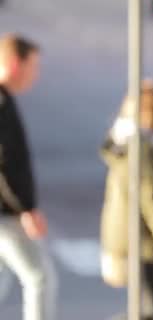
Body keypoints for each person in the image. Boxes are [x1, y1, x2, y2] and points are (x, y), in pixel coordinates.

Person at [99, 80, 153, 320]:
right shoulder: (140, 149)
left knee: (149, 309)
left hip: (122, 239)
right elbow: (152, 200)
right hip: (142, 245)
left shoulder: (122, 141)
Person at [0, 33, 57, 320]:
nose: (36, 75)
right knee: (39, 277)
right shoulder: (2, 103)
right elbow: (6, 161)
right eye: (33, 66)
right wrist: (25, 208)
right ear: (15, 64)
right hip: (7, 212)